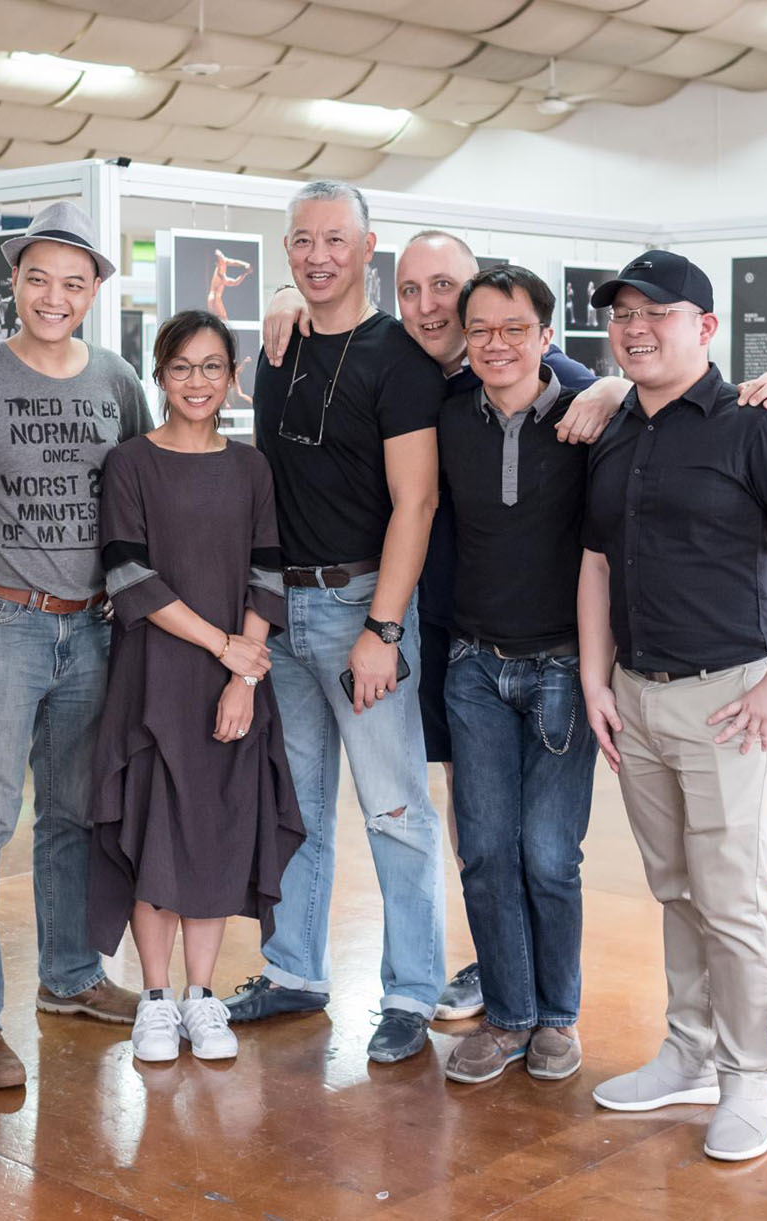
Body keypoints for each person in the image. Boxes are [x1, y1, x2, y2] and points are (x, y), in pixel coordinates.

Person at [262, 232, 767, 1023]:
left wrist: (623, 387)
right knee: (475, 827)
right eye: (411, 291)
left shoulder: (572, 389)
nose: (429, 307)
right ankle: (500, 969)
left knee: (538, 846)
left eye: (444, 287)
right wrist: (286, 302)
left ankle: (528, 996)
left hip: (543, 646)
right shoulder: (426, 387)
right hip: (449, 630)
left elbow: (645, 391)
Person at [578, 251, 767, 1163]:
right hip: (638, 697)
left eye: (658, 312)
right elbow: (597, 562)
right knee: (675, 888)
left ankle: (748, 1078)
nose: (635, 327)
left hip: (731, 698)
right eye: (622, 314)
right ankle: (688, 1051)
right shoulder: (617, 422)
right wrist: (594, 677)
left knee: (732, 898)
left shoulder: (760, 423)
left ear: (707, 327)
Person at [0, 201, 149, 1091]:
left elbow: (143, 493)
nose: (54, 296)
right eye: (38, 278)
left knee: (70, 814)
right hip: (1, 624)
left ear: (94, 290)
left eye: (74, 281)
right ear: (13, 282)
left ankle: (70, 978)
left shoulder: (117, 382)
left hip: (91, 625)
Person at [226, 180, 445, 1064]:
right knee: (299, 807)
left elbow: (416, 500)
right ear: (287, 252)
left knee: (395, 810)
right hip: (285, 612)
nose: (318, 255)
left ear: (368, 248)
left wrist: (383, 629)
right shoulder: (277, 347)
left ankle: (412, 990)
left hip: (363, 609)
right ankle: (295, 972)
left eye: (335, 239)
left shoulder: (399, 359)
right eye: (302, 242)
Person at [88, 310, 305, 1064]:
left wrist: (242, 677)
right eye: (182, 366)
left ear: (233, 376)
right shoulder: (130, 464)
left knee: (214, 830)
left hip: (233, 682)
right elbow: (129, 575)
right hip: (154, 675)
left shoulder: (251, 468)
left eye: (213, 366)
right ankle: (154, 996)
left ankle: (201, 995)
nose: (198, 382)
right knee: (155, 827)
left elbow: (268, 572)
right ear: (159, 374)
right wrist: (229, 650)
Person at [434, 264, 602, 1087]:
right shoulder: (448, 418)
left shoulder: (589, 416)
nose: (496, 345)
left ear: (545, 335)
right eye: (481, 331)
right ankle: (508, 1015)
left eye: (514, 329)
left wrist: (601, 386)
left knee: (547, 854)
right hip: (473, 668)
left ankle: (558, 1015)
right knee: (487, 852)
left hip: (563, 669)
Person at [206, 249, 253, 320]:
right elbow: (234, 282)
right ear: (217, 263)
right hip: (215, 298)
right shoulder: (220, 272)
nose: (223, 257)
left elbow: (234, 262)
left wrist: (245, 264)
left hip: (214, 298)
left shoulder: (223, 262)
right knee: (224, 319)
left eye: (222, 255)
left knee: (220, 321)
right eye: (220, 257)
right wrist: (245, 273)